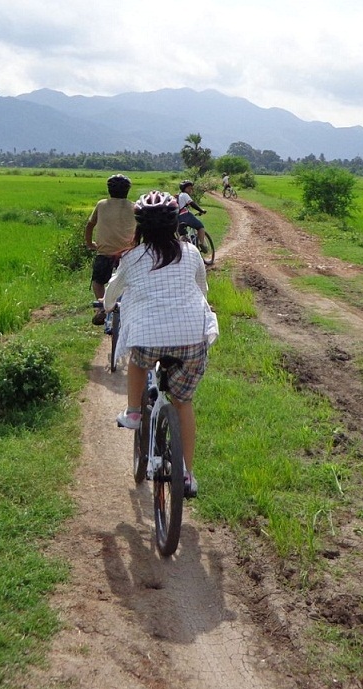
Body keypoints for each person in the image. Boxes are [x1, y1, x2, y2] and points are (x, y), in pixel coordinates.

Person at [103, 190, 218, 498]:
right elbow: (202, 290)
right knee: (183, 403)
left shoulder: (131, 258)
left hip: (149, 338)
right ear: (175, 225)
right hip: (192, 338)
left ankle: (133, 412)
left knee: (138, 361)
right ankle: (187, 475)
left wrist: (105, 306)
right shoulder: (191, 253)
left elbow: (112, 293)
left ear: (139, 227)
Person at [84, 174, 136, 326]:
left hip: (105, 253)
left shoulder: (101, 204)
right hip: (128, 254)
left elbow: (89, 225)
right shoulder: (134, 206)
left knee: (98, 282)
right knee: (130, 283)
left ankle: (101, 309)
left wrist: (89, 243)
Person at [176, 180, 211, 252]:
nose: (190, 190)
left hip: (178, 218)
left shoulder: (178, 196)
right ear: (184, 188)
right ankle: (201, 244)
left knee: (183, 234)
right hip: (185, 216)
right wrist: (201, 210)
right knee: (200, 227)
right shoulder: (185, 195)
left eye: (191, 188)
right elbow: (192, 204)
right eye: (189, 188)